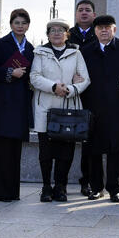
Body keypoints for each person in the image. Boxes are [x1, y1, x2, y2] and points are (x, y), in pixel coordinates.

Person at [31, 18, 91, 201]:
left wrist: (70, 89)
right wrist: (54, 87)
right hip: (45, 108)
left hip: (68, 107)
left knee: (65, 151)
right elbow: (34, 77)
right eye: (52, 30)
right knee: (46, 152)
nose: (56, 33)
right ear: (48, 34)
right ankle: (46, 187)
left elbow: (85, 79)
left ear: (67, 34)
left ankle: (60, 186)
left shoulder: (76, 53)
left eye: (60, 30)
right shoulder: (40, 52)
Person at [80, 14, 119, 202]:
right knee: (93, 150)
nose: (104, 31)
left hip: (118, 106)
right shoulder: (86, 51)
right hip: (93, 106)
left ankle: (114, 188)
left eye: (107, 27)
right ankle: (96, 188)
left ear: (114, 29)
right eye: (100, 28)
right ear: (94, 31)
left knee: (115, 150)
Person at [0, 8, 34, 201]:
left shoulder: (30, 48)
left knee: (15, 149)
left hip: (21, 102)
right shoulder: (1, 44)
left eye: (23, 23)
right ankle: (1, 192)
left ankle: (13, 192)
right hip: (3, 102)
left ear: (28, 25)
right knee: (3, 148)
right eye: (17, 23)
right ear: (11, 24)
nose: (20, 26)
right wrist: (9, 73)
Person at [68, 0, 97, 198]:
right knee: (67, 138)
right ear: (76, 14)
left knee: (90, 141)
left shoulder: (100, 34)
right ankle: (60, 183)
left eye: (88, 10)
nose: (84, 13)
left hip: (93, 95)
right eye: (80, 10)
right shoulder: (68, 35)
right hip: (71, 94)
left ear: (93, 14)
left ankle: (88, 182)